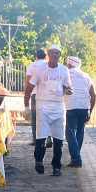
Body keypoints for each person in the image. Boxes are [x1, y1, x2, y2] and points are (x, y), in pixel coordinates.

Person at [28, 46, 72, 175]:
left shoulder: (64, 70)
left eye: (58, 53)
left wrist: (67, 90)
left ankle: (56, 166)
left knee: (58, 139)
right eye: (53, 53)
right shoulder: (40, 69)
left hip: (58, 106)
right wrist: (26, 104)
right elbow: (30, 86)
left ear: (60, 55)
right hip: (43, 106)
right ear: (48, 54)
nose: (55, 55)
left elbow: (68, 87)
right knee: (41, 137)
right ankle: (39, 160)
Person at [64, 56, 95, 168]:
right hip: (84, 108)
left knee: (70, 133)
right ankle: (76, 156)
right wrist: (90, 111)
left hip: (71, 108)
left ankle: (76, 159)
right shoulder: (86, 76)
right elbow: (93, 95)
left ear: (69, 64)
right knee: (80, 132)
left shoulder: (65, 74)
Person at [22, 47, 47, 140]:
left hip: (35, 94)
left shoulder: (32, 66)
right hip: (47, 95)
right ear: (46, 57)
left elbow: (28, 83)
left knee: (35, 118)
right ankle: (48, 138)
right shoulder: (49, 65)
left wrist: (26, 100)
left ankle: (36, 139)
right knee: (47, 117)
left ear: (36, 56)